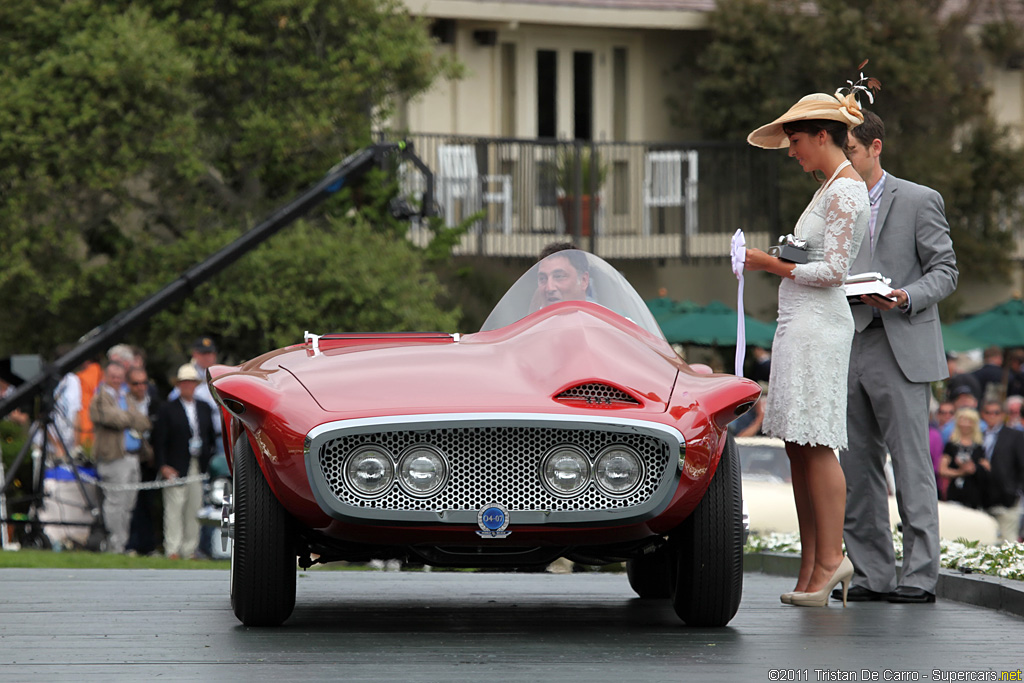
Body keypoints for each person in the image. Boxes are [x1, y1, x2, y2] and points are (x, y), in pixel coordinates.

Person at [744, 89, 870, 607]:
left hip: (819, 325)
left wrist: (769, 263)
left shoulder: (845, 191)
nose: (791, 150)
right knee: (798, 445)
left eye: (795, 141)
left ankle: (829, 560)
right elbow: (816, 260)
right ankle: (811, 562)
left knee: (816, 442)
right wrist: (780, 260)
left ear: (824, 136)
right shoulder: (829, 187)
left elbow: (835, 272)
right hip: (801, 323)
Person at [837, 110, 958, 604]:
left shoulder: (919, 199)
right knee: (856, 467)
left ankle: (919, 577)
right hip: (848, 342)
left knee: (911, 466)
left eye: (851, 152)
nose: (844, 161)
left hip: (902, 340)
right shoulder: (834, 203)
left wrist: (905, 296)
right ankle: (870, 574)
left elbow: (946, 271)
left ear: (876, 147)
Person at [153, 363, 217, 559]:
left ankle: (190, 549)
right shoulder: (167, 409)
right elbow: (159, 441)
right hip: (175, 464)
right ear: (179, 385)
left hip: (198, 464)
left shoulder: (204, 407)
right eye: (184, 383)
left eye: (191, 383)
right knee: (174, 508)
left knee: (194, 507)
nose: (188, 386)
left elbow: (210, 437)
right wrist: (163, 466)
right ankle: (173, 548)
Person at [89, 362, 151, 553]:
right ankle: (115, 545)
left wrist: (127, 416)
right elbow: (113, 419)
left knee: (128, 504)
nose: (117, 380)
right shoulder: (100, 398)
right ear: (106, 376)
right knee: (115, 503)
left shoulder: (125, 396)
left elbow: (144, 422)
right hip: (113, 458)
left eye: (119, 377)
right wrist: (129, 416)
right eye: (113, 377)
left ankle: (121, 543)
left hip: (132, 457)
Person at [125, 366, 162, 556]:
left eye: (144, 383)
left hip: (148, 460)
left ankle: (147, 545)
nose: (140, 387)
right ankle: (130, 543)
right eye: (136, 383)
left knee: (147, 502)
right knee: (129, 502)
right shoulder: (123, 402)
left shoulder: (155, 403)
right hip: (128, 456)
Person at [978, 400, 1024, 543]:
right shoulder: (978, 435)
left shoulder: (1014, 435)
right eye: (988, 412)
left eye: (996, 412)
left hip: (1007, 499)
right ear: (982, 414)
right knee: (984, 542)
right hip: (982, 498)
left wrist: (1016, 491)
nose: (992, 416)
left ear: (1002, 415)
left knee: (1007, 542)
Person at [939, 408, 986, 509]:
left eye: (969, 421)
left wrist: (974, 468)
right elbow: (942, 470)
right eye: (962, 420)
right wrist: (961, 472)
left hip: (974, 495)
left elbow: (986, 467)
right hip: (955, 494)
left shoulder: (979, 447)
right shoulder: (951, 445)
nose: (965, 424)